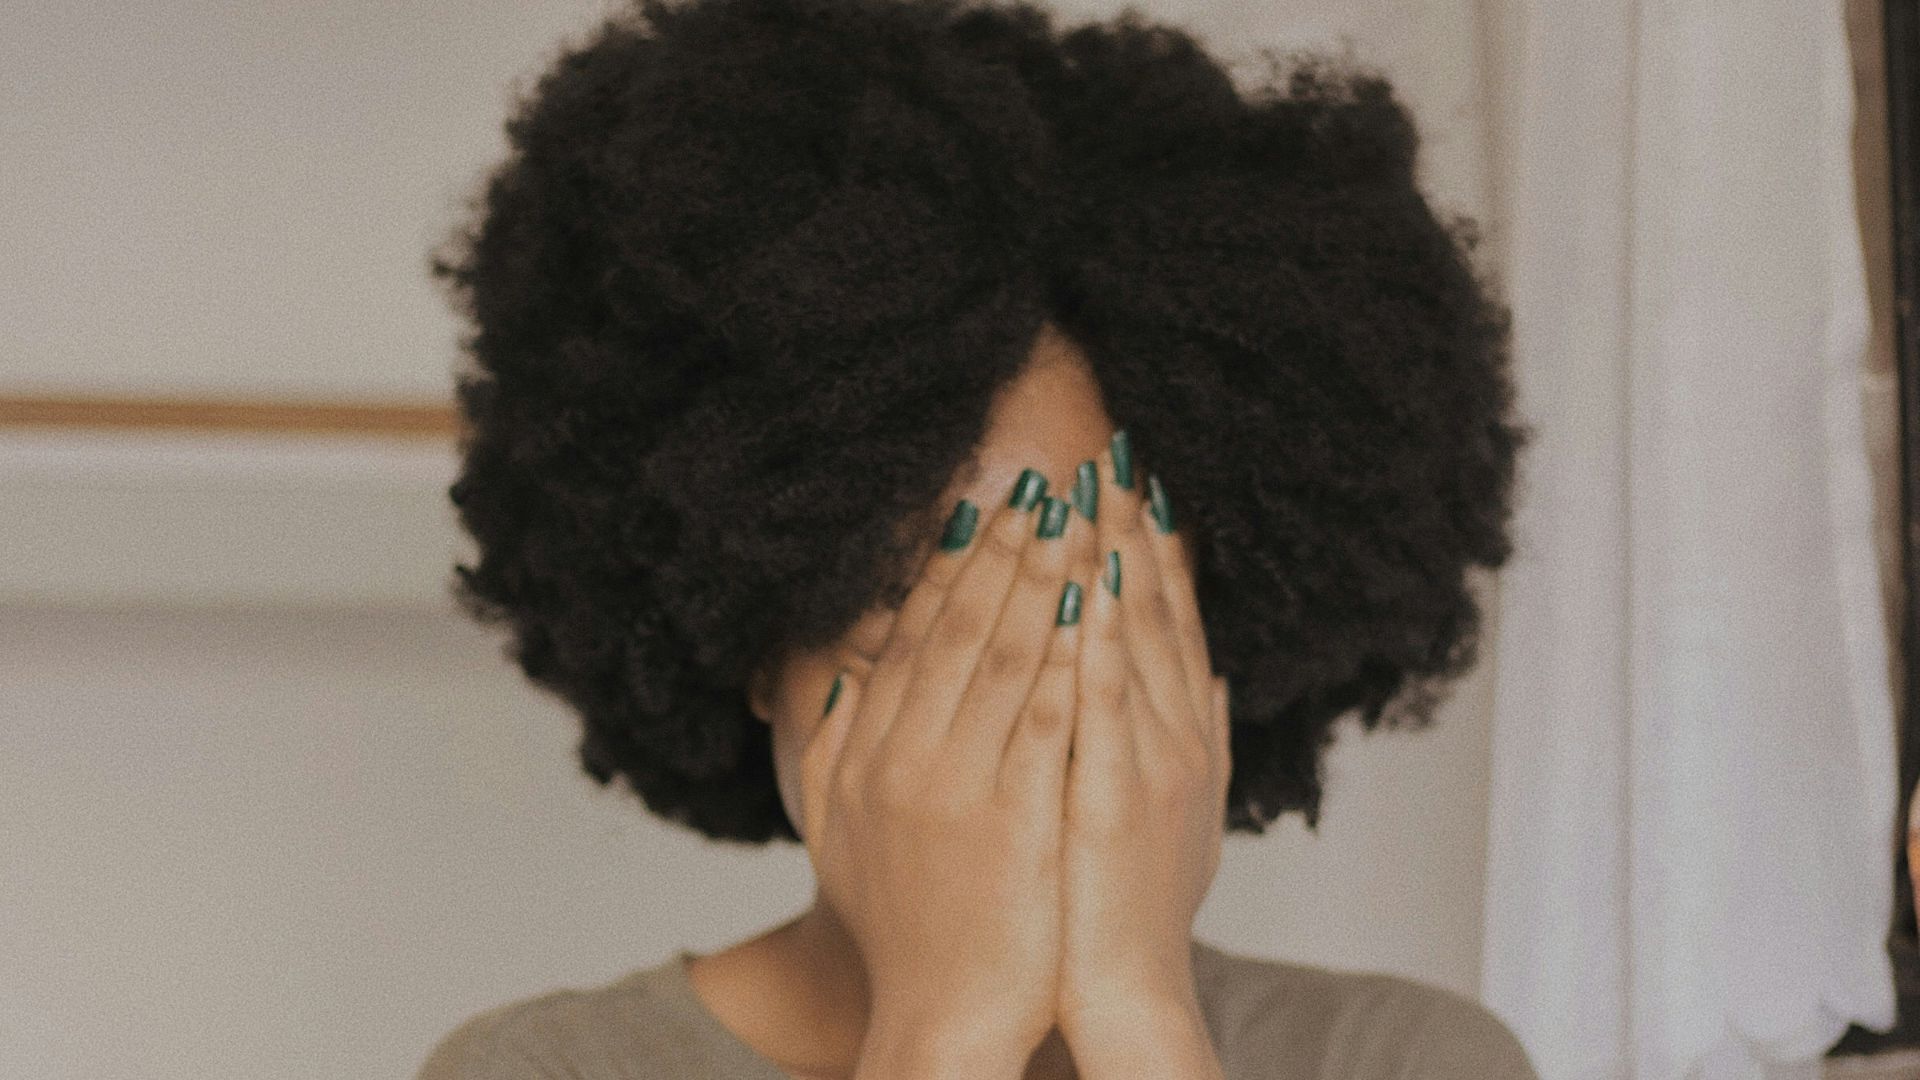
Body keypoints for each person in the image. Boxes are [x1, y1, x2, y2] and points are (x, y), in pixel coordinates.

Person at [418, 0, 1537, 1076]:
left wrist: (1136, 1016)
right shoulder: (543, 1071)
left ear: (1214, 650)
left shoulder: (1406, 1063)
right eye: (913, 591)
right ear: (760, 636)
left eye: (1084, 586)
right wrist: (946, 1031)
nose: (1003, 687)